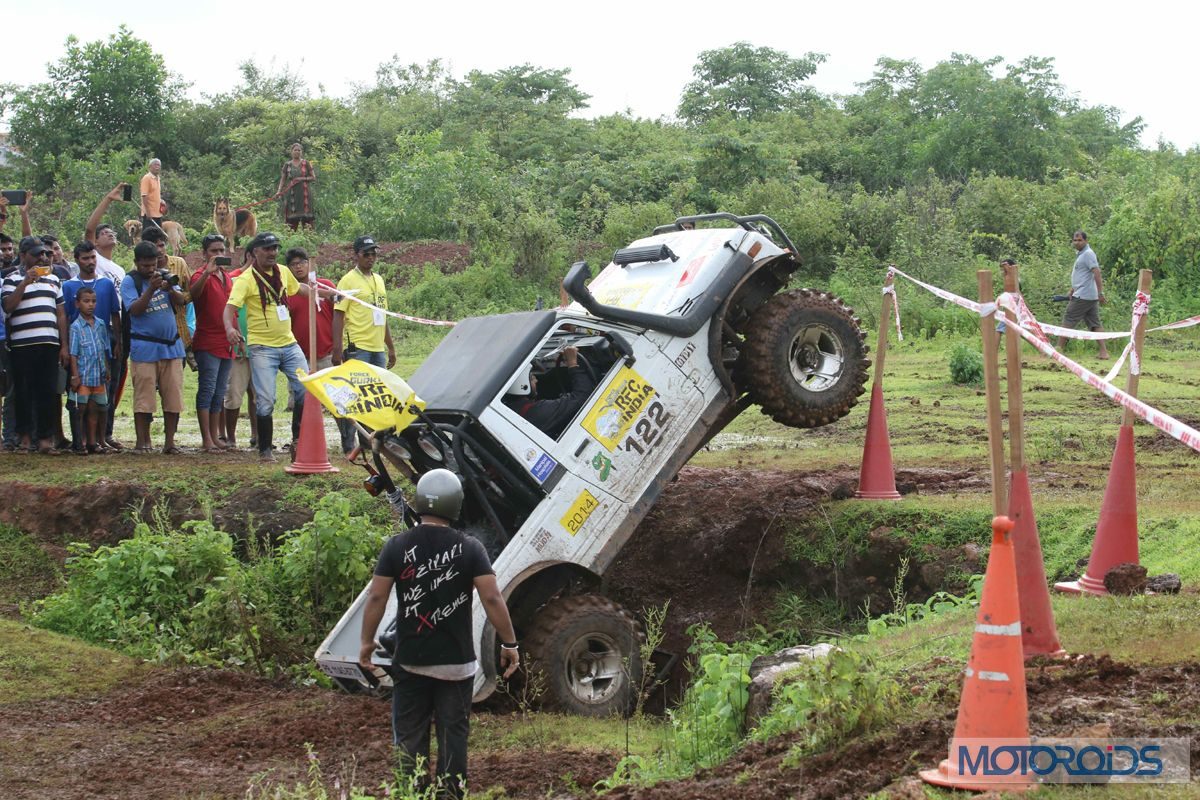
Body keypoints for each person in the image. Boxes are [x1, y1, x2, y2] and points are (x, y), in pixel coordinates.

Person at [358, 469, 519, 799]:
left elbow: (376, 596)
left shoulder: (397, 546)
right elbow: (492, 598)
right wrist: (509, 642)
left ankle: (413, 792)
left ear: (419, 503)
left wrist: (366, 643)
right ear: (456, 505)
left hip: (411, 660)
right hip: (456, 665)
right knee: (453, 734)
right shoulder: (470, 548)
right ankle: (450, 795)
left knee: (410, 734)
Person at [223, 232, 329, 461]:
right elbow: (230, 309)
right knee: (266, 400)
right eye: (267, 248)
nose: (272, 253)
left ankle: (298, 441)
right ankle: (265, 450)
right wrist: (230, 329)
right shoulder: (245, 280)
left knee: (307, 388)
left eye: (275, 248)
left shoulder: (283, 271)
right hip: (262, 348)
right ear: (254, 253)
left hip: (289, 345)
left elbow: (299, 289)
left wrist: (327, 295)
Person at [1, 237, 69, 453]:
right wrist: (24, 283)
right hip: (22, 346)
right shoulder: (11, 279)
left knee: (47, 391)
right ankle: (25, 438)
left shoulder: (54, 280)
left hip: (49, 343)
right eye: (37, 254)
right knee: (23, 391)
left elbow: (60, 314)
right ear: (23, 256)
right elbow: (8, 307)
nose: (42, 258)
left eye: (44, 254)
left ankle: (45, 440)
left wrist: (64, 345)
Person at [122, 241, 188, 453]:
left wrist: (169, 289)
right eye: (145, 266)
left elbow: (181, 301)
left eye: (153, 264)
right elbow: (135, 310)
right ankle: (143, 442)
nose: (150, 269)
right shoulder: (130, 281)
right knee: (144, 398)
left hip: (172, 346)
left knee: (173, 397)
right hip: (145, 346)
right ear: (136, 263)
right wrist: (150, 289)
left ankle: (170, 443)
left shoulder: (165, 275)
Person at [333, 235, 396, 453]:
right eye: (366, 254)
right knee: (354, 397)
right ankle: (348, 444)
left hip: (377, 348)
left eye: (374, 253)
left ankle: (369, 443)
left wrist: (391, 346)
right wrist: (336, 349)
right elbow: (339, 315)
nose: (371, 258)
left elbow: (383, 315)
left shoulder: (378, 279)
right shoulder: (347, 281)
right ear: (356, 255)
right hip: (358, 347)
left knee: (374, 398)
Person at [62, 242, 121, 452]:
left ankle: (101, 438)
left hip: (102, 345)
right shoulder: (69, 287)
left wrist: (118, 342)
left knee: (103, 398)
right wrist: (65, 348)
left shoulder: (106, 284)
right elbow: (66, 318)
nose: (90, 262)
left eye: (93, 257)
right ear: (77, 260)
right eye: (85, 258)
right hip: (80, 349)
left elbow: (115, 313)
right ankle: (81, 441)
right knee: (79, 400)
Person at [190, 234, 235, 453]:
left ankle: (216, 436)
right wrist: (206, 273)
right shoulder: (199, 275)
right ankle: (206, 438)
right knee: (207, 389)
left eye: (221, 251)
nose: (218, 255)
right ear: (204, 253)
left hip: (226, 341)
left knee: (219, 392)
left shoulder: (227, 277)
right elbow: (192, 295)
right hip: (207, 341)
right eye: (213, 251)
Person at [502, 346, 597, 438]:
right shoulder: (537, 411)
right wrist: (572, 364)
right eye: (532, 378)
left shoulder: (512, 409)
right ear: (522, 386)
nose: (536, 381)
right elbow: (583, 396)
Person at [68, 286, 109, 455]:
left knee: (95, 409)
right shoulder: (76, 327)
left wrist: (106, 368)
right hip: (83, 375)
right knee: (80, 409)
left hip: (97, 376)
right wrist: (75, 375)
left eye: (93, 301)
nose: (90, 305)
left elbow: (103, 347)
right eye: (86, 301)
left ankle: (93, 442)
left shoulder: (100, 324)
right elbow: (73, 354)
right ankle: (79, 443)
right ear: (77, 304)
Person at [1058, 231, 1109, 359]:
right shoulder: (1082, 254)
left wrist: (1100, 292)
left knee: (1068, 320)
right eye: (1075, 240)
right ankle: (1104, 352)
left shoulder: (1088, 254)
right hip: (1088, 296)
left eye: (1080, 240)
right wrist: (1072, 289)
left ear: (1086, 241)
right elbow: (1083, 276)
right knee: (1094, 324)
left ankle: (1058, 350)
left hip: (1083, 296)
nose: (1077, 242)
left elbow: (1096, 272)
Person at [285, 247, 335, 370]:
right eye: (294, 264)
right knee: (301, 389)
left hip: (328, 355)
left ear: (308, 263)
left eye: (302, 262)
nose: (298, 267)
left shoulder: (326, 286)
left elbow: (339, 316)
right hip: (300, 357)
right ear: (288, 268)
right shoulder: (287, 293)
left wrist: (337, 348)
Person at [278, 143, 316, 230]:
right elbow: (283, 179)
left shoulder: (306, 163)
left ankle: (309, 238)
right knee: (291, 219)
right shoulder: (287, 165)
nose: (297, 152)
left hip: (304, 194)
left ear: (301, 152)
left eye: (299, 150)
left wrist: (301, 179)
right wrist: (279, 191)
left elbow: (313, 177)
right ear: (291, 152)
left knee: (307, 218)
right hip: (292, 194)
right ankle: (291, 238)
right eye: (295, 150)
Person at [140, 158, 164, 231]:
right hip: (149, 214)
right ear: (150, 167)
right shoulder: (147, 178)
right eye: (155, 165)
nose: (157, 167)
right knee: (149, 236)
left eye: (159, 165)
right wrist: (148, 212)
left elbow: (154, 194)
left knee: (158, 236)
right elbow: (144, 196)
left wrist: (161, 201)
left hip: (158, 213)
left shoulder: (158, 178)